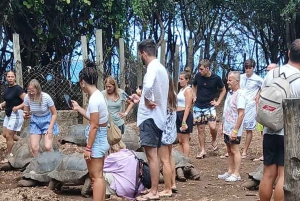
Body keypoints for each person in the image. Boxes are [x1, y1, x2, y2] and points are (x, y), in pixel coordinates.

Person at [259, 39, 300, 201]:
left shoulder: (272, 73)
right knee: (284, 174)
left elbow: (261, 98)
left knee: (268, 173)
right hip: (290, 135)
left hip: (269, 129)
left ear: (289, 53)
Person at [135, 39, 169, 201]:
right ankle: (154, 189)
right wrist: (142, 99)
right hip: (158, 117)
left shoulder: (152, 68)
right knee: (154, 155)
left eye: (140, 55)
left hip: (150, 118)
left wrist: (147, 100)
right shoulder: (161, 68)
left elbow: (148, 86)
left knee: (151, 156)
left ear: (143, 53)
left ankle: (154, 191)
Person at [71, 63, 110, 201]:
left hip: (97, 139)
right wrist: (79, 108)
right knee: (99, 176)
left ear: (82, 82)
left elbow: (94, 125)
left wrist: (88, 148)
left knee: (96, 177)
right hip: (101, 136)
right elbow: (94, 118)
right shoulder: (98, 95)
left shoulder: (94, 99)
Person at [192, 59, 226, 159]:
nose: (200, 71)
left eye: (202, 69)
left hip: (210, 106)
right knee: (200, 129)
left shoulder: (216, 78)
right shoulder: (198, 76)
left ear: (207, 69)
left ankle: (214, 140)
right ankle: (202, 150)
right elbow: (194, 85)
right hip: (198, 106)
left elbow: (223, 90)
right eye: (199, 69)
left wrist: (218, 101)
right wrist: (194, 96)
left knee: (212, 127)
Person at [217, 71, 246, 182]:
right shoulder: (230, 93)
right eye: (228, 80)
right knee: (229, 149)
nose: (228, 82)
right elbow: (226, 111)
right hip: (227, 127)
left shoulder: (241, 94)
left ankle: (237, 173)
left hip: (234, 128)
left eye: (230, 80)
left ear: (237, 81)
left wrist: (235, 130)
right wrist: (222, 125)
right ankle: (229, 171)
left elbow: (241, 113)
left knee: (235, 149)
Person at [23, 79, 59, 157]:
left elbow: (54, 114)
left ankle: (55, 161)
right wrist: (25, 115)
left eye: (33, 91)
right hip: (35, 121)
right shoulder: (27, 97)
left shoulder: (46, 97)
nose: (31, 93)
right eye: (29, 91)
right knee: (34, 148)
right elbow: (26, 112)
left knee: (48, 146)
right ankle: (40, 166)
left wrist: (50, 128)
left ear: (38, 89)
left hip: (47, 120)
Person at [253, 63, 277, 162]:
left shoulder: (279, 82)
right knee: (263, 134)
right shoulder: (265, 82)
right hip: (264, 112)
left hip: (275, 114)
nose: (268, 72)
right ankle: (265, 154)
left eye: (271, 70)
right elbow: (258, 96)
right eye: (267, 70)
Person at [240, 59, 263, 158]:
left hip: (250, 106)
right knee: (236, 127)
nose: (248, 70)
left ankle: (245, 151)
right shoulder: (241, 77)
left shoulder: (258, 79)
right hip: (240, 104)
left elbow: (264, 87)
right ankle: (232, 149)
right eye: (246, 68)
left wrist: (258, 95)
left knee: (249, 129)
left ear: (253, 68)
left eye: (250, 68)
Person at [158, 74, 177, 197]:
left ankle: (167, 188)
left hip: (163, 133)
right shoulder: (173, 94)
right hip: (171, 132)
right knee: (169, 158)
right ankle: (173, 183)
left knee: (164, 161)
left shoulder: (162, 97)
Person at [0, 71, 25, 163]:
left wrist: (18, 107)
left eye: (12, 76)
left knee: (9, 136)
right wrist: (2, 105)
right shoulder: (7, 89)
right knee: (5, 134)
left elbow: (26, 100)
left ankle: (9, 156)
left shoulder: (18, 89)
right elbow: (8, 101)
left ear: (15, 78)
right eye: (8, 77)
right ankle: (23, 141)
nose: (10, 78)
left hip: (17, 114)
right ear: (6, 78)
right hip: (8, 114)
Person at [177, 69, 193, 156]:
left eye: (182, 79)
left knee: (185, 141)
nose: (180, 81)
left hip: (184, 115)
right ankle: (181, 158)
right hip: (178, 115)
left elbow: (188, 106)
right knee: (180, 140)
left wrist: (184, 121)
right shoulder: (181, 90)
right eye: (179, 79)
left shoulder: (188, 90)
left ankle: (186, 160)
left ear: (187, 80)